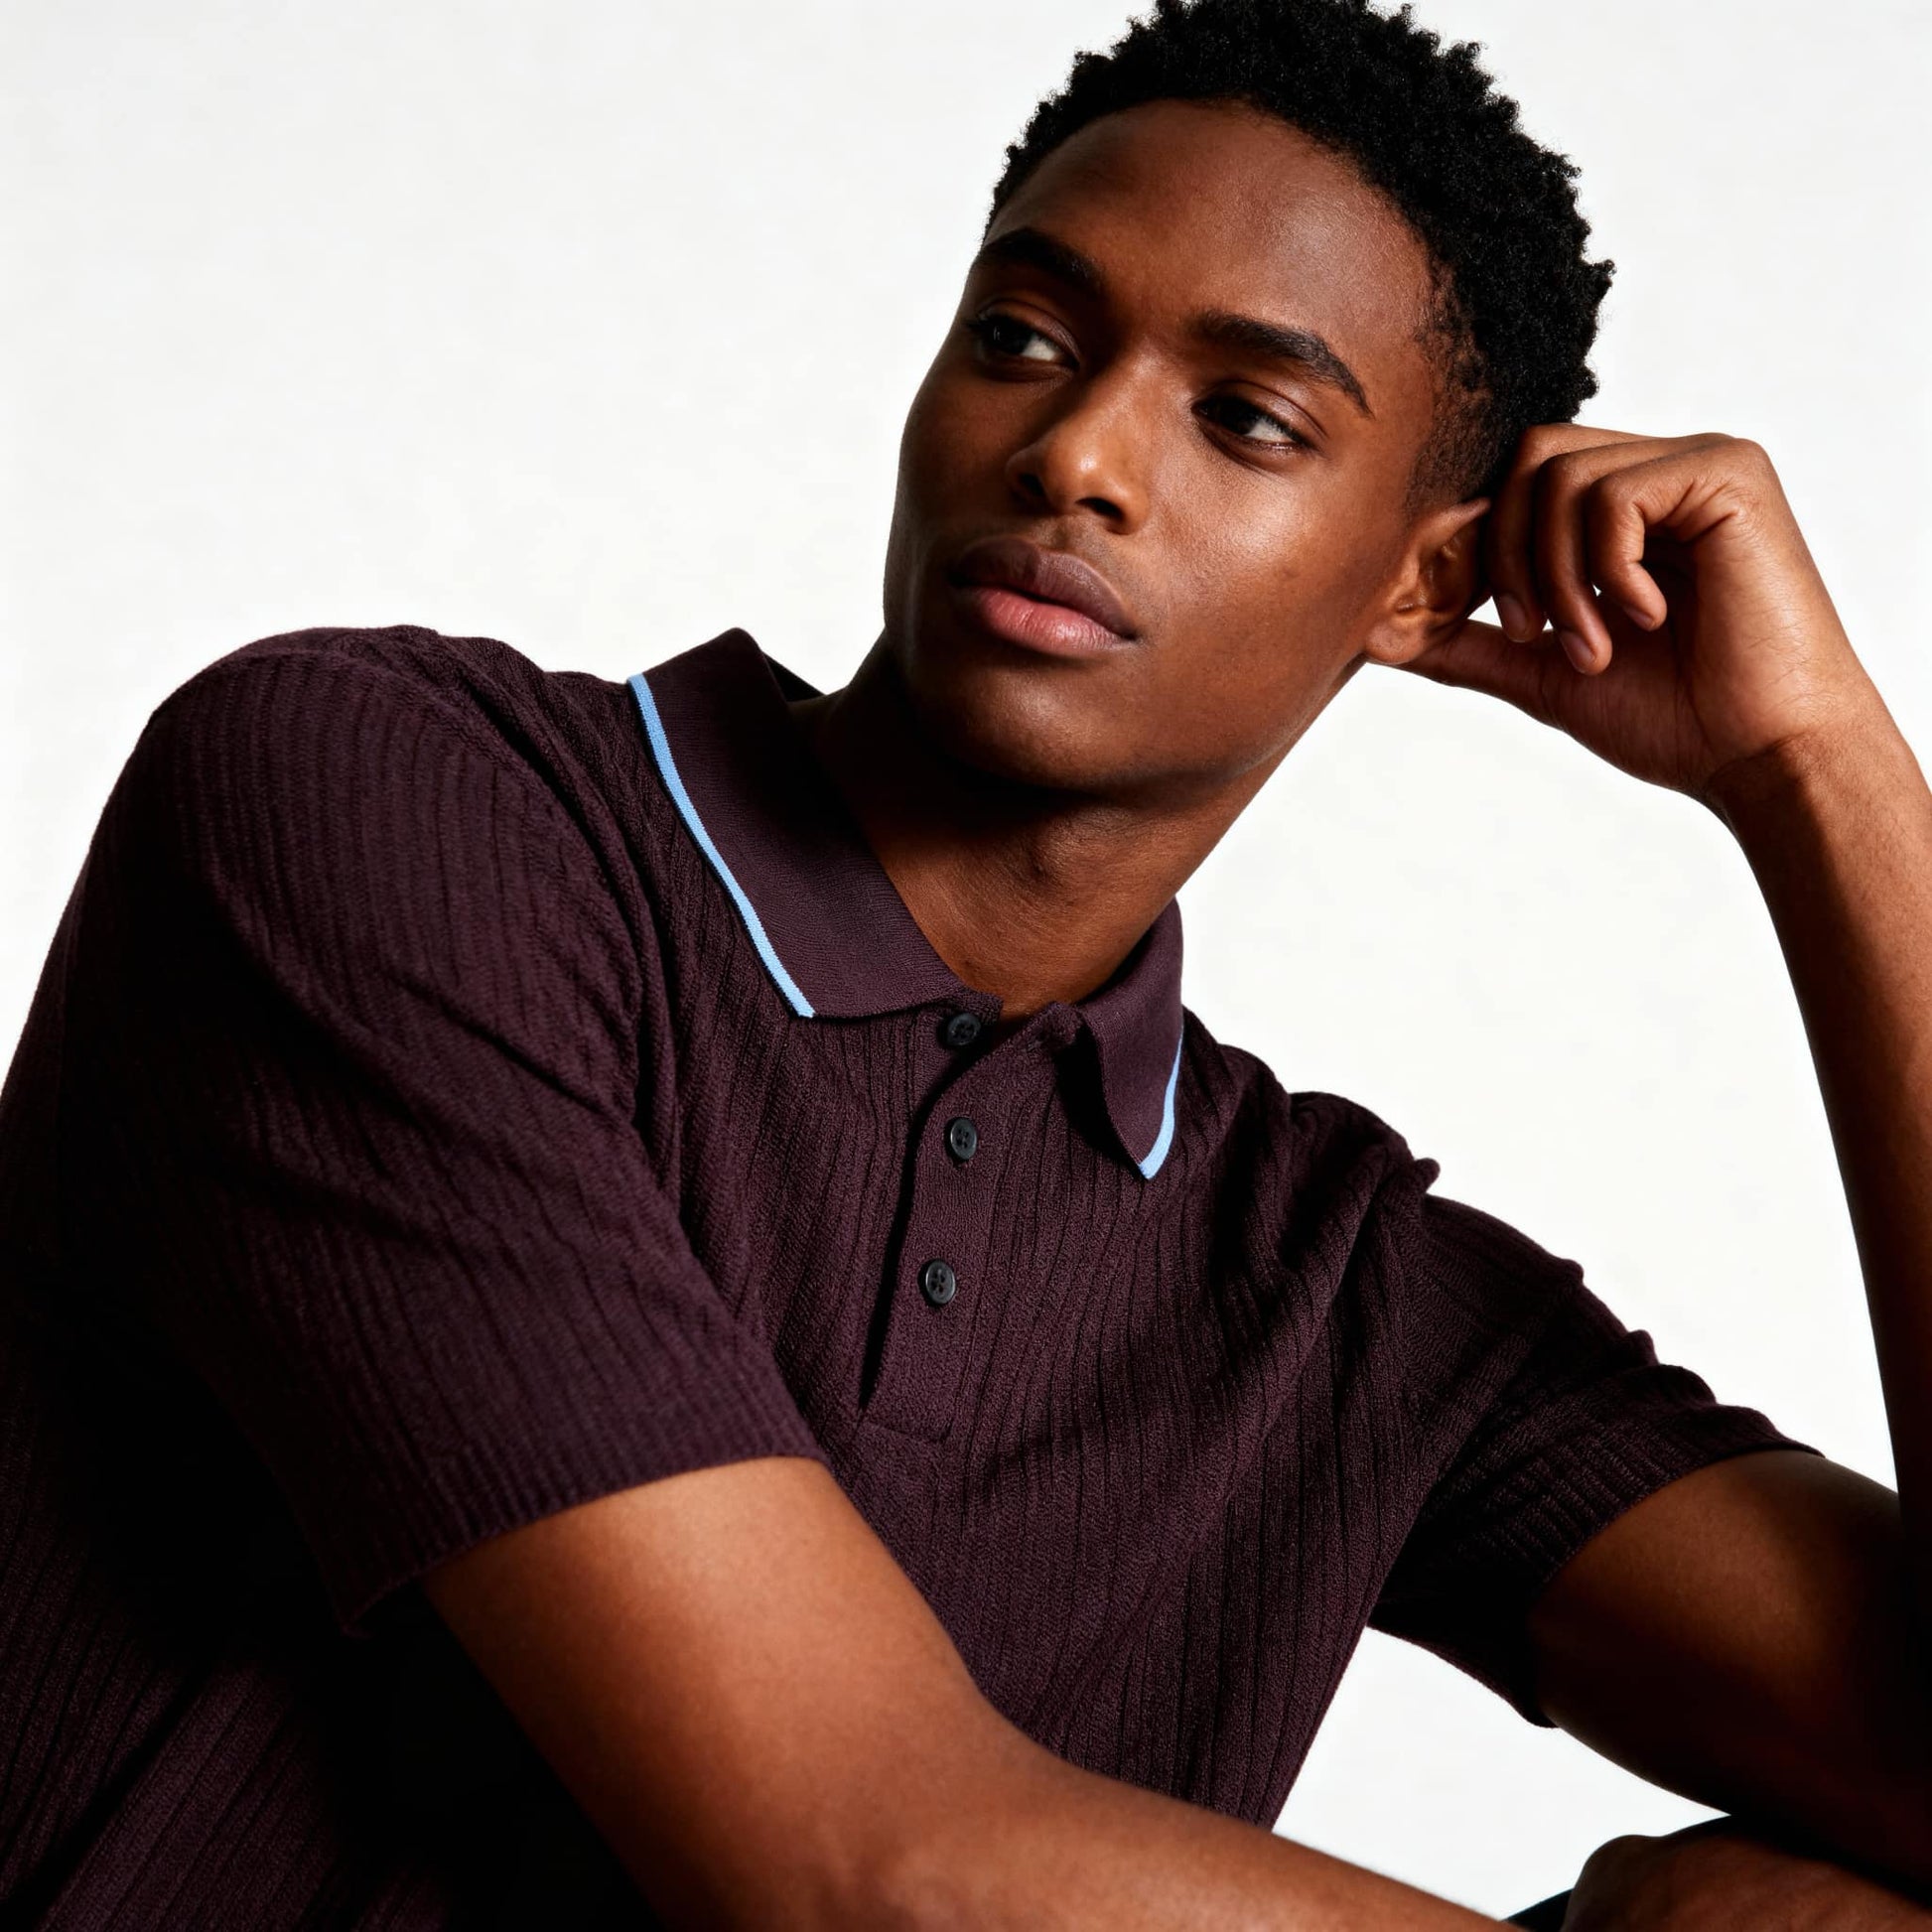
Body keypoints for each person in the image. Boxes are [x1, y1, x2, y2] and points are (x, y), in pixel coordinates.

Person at [4, 0, 1931, 1923]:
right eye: (1022, 337)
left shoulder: (1340, 1295)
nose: (1077, 454)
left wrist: (1819, 775)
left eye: (1244, 418)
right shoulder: (379, 812)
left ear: (1422, 579)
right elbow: (870, 1862)